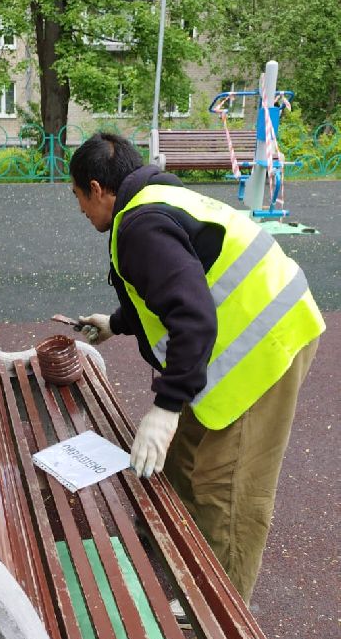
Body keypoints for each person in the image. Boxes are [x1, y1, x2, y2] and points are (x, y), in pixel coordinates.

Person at [69, 131, 324, 603]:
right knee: (183, 455)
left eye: (79, 197)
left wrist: (165, 407)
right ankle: (183, 551)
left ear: (98, 189)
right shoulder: (154, 198)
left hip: (262, 346)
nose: (82, 210)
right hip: (257, 325)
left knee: (225, 488)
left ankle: (222, 614)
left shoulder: (139, 226)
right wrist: (115, 323)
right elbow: (168, 292)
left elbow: (192, 316)